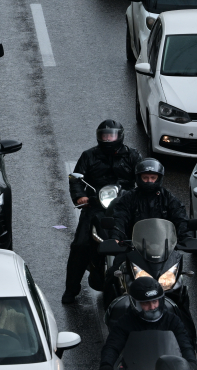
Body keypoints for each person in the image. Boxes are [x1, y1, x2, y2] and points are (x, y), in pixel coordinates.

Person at [62, 120, 142, 303]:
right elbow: (76, 180)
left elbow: (143, 175)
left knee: (142, 239)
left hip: (125, 205)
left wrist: (141, 193)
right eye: (104, 136)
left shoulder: (132, 156)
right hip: (96, 205)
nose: (108, 139)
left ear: (120, 136)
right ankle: (71, 289)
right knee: (80, 245)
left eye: (111, 135)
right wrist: (80, 197)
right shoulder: (88, 156)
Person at [99, 277, 197, 370]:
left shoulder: (172, 320)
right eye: (146, 303)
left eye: (155, 301)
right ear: (135, 304)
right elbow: (112, 346)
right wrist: (106, 364)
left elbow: (185, 345)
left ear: (160, 300)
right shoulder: (126, 322)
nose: (152, 307)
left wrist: (192, 363)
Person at [111, 159, 192, 243]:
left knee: (178, 256)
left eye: (153, 178)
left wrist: (186, 237)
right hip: (134, 246)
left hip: (163, 246)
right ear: (139, 178)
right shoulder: (128, 198)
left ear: (158, 178)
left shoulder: (168, 198)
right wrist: (116, 237)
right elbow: (120, 218)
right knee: (118, 256)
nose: (149, 181)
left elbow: (180, 217)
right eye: (145, 178)